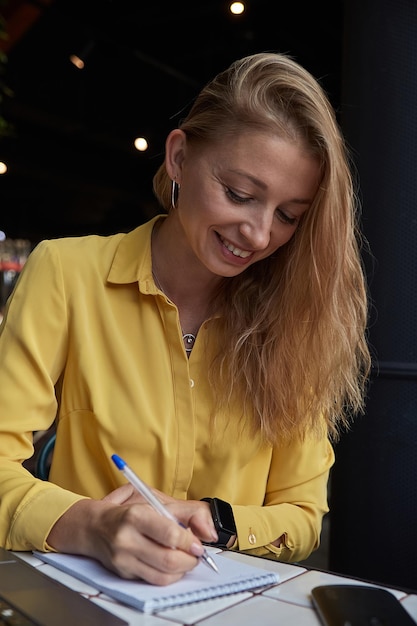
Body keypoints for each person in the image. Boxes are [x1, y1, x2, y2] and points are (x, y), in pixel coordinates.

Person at [0, 52, 370, 586]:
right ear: (178, 158)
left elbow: (304, 517)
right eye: (240, 195)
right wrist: (91, 524)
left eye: (289, 215)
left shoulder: (294, 320)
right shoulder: (67, 274)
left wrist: (218, 521)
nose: (261, 234)